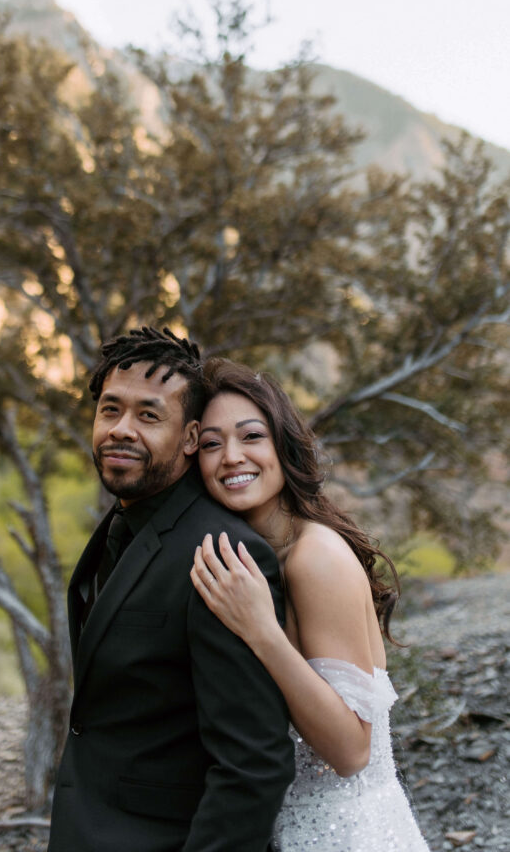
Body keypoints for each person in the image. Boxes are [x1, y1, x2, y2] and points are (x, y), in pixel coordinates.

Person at [47, 328, 295, 852]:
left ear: (189, 438)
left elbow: (252, 766)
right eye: (110, 411)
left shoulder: (222, 552)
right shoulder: (122, 524)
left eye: (149, 415)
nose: (121, 430)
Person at [191, 358, 430, 852]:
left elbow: (351, 750)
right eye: (212, 444)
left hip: (348, 833)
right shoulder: (264, 558)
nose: (231, 457)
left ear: (283, 444)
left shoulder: (314, 556)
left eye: (250, 436)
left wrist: (261, 630)